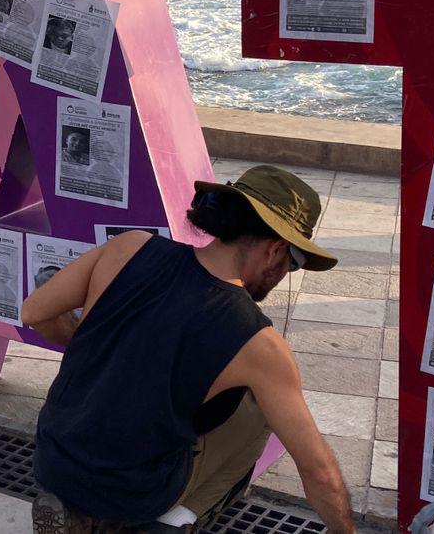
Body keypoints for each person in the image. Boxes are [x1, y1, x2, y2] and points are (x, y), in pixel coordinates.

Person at [25, 165, 354, 533]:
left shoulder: (130, 246)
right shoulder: (257, 341)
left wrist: (104, 347)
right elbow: (317, 471)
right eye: (294, 262)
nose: (286, 273)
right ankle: (170, 519)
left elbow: (34, 311)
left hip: (53, 461)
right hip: (132, 492)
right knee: (260, 405)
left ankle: (77, 510)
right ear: (275, 250)